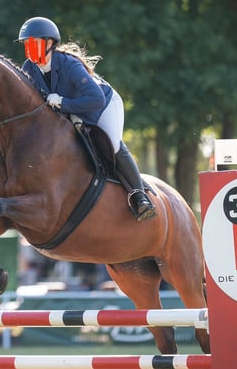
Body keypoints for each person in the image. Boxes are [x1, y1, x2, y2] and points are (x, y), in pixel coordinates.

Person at [16, 16, 156, 221]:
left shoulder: (69, 65)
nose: (29, 49)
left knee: (113, 145)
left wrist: (63, 102)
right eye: (26, 45)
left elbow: (96, 99)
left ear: (49, 44)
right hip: (71, 110)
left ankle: (140, 196)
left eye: (33, 43)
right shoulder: (29, 68)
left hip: (103, 106)